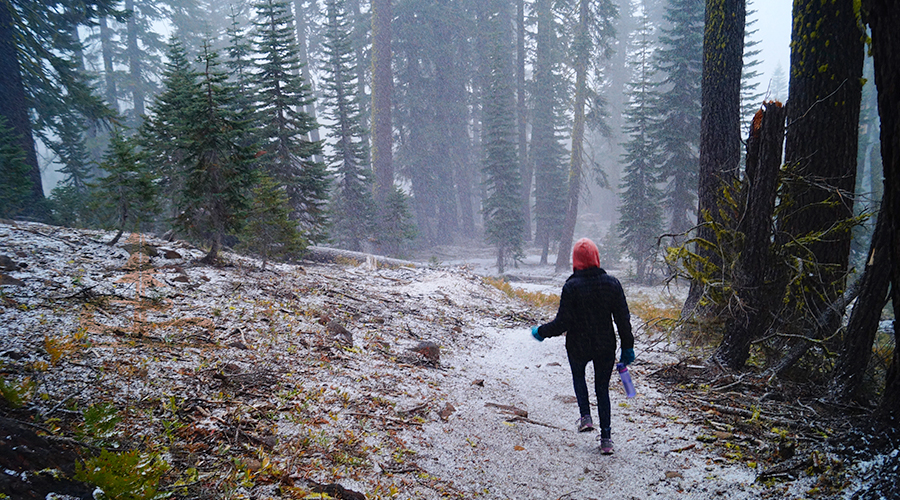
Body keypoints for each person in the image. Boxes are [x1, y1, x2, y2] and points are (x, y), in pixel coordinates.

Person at [531, 237, 635, 455]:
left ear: (575, 260)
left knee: (579, 377)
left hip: (578, 345)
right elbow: (622, 320)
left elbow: (562, 323)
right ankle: (606, 438)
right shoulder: (612, 284)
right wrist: (627, 347)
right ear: (596, 257)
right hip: (605, 344)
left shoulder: (571, 287)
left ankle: (585, 416)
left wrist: (541, 332)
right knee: (602, 388)